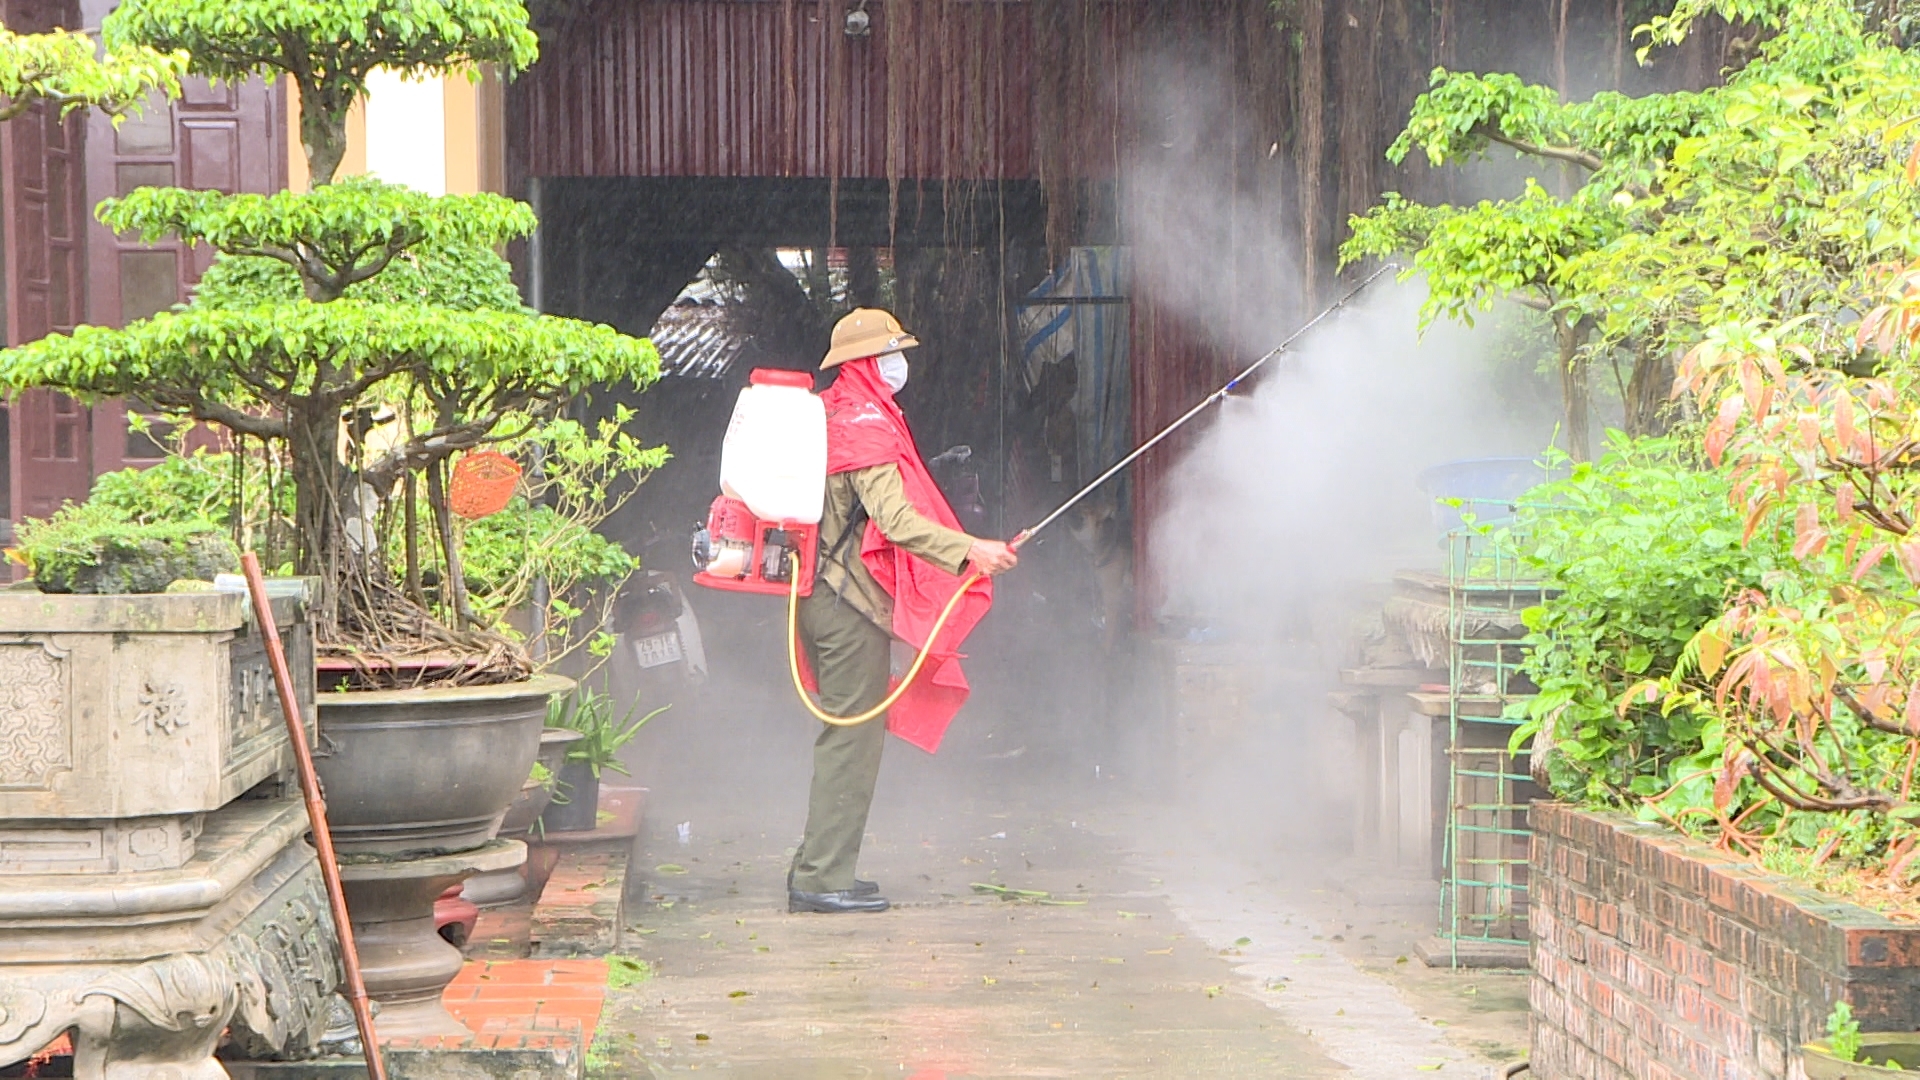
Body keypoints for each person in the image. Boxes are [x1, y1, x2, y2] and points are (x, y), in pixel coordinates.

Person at [788, 308, 1018, 915]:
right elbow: (894, 522)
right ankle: (820, 880)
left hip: (822, 597)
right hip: (845, 605)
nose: (900, 364)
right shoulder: (864, 426)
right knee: (852, 739)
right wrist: (971, 550)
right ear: (867, 363)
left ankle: (818, 866)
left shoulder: (831, 413)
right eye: (891, 353)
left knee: (848, 735)